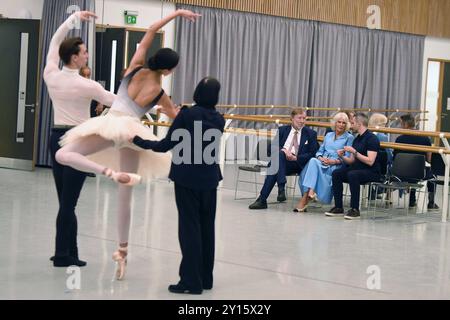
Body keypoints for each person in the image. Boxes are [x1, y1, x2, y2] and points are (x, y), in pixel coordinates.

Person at [54, 9, 201, 280]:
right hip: (132, 131)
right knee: (126, 195)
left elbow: (150, 29)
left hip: (111, 123)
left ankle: (110, 175)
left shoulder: (135, 66)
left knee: (64, 154)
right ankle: (122, 252)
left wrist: (177, 13)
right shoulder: (160, 93)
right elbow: (177, 117)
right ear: (168, 71)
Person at [132, 77, 225, 295]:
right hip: (210, 179)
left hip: (187, 179)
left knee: (189, 230)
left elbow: (165, 145)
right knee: (206, 229)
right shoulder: (219, 119)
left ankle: (190, 281)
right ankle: (205, 278)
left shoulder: (187, 115)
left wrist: (138, 140)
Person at [44, 11, 116, 267]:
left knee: (65, 201)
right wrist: (158, 105)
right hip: (76, 140)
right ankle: (64, 255)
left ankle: (66, 251)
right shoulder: (87, 85)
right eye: (84, 52)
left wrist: (71, 19)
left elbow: (54, 42)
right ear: (74, 57)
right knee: (68, 203)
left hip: (55, 138)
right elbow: (120, 103)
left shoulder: (51, 74)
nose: (87, 55)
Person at [249, 108, 319, 209]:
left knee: (274, 164)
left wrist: (296, 158)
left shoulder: (310, 133)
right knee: (279, 157)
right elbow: (271, 148)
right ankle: (280, 186)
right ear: (292, 118)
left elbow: (313, 154)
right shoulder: (283, 130)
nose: (302, 121)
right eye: (299, 118)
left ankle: (264, 198)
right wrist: (284, 150)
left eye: (304, 118)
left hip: (300, 164)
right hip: (284, 163)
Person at [294, 113, 354, 212]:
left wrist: (333, 161)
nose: (341, 125)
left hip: (335, 165)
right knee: (314, 160)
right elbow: (319, 151)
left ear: (346, 125)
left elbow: (347, 158)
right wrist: (321, 158)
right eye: (339, 122)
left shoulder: (349, 137)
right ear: (335, 123)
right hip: (322, 162)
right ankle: (310, 193)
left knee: (313, 163)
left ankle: (307, 195)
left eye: (344, 123)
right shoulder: (329, 135)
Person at [325, 113, 381, 220]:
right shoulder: (357, 138)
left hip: (371, 172)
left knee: (352, 174)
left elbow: (370, 161)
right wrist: (341, 156)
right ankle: (338, 207)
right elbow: (351, 161)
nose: (351, 125)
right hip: (358, 169)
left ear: (359, 124)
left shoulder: (372, 139)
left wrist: (354, 152)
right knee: (337, 173)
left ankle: (355, 209)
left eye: (353, 123)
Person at [394, 114, 439, 210]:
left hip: (400, 173)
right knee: (432, 175)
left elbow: (395, 158)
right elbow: (429, 159)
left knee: (411, 171)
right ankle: (431, 202)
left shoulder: (399, 139)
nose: (400, 126)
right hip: (419, 173)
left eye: (401, 124)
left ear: (405, 124)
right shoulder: (425, 138)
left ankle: (412, 200)